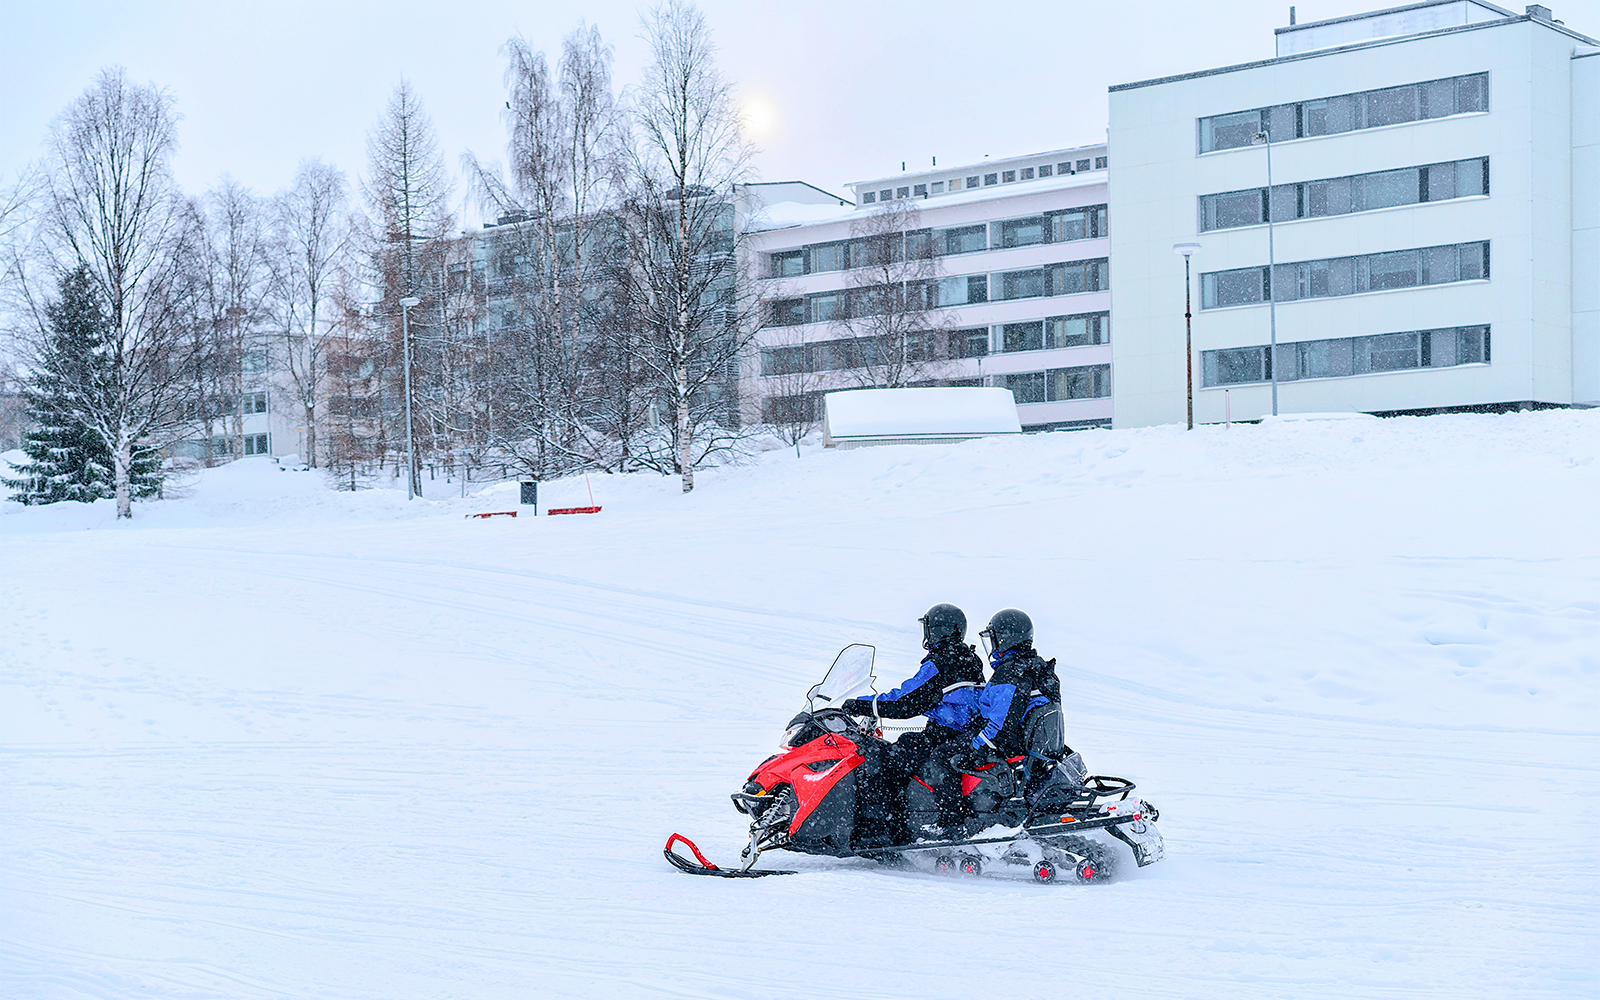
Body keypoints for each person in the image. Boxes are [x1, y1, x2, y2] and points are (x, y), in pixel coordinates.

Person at [841, 603, 984, 842]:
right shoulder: (969, 658)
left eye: (928, 629)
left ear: (938, 630)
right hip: (962, 732)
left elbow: (905, 702)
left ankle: (884, 830)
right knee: (904, 746)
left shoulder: (941, 663)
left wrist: (860, 705)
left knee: (883, 761)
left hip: (944, 734)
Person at [970, 608, 1062, 760]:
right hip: (1034, 755)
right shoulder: (1040, 669)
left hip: (1009, 751)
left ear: (1005, 638)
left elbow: (1001, 728)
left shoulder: (1011, 673)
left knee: (942, 755)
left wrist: (974, 748)